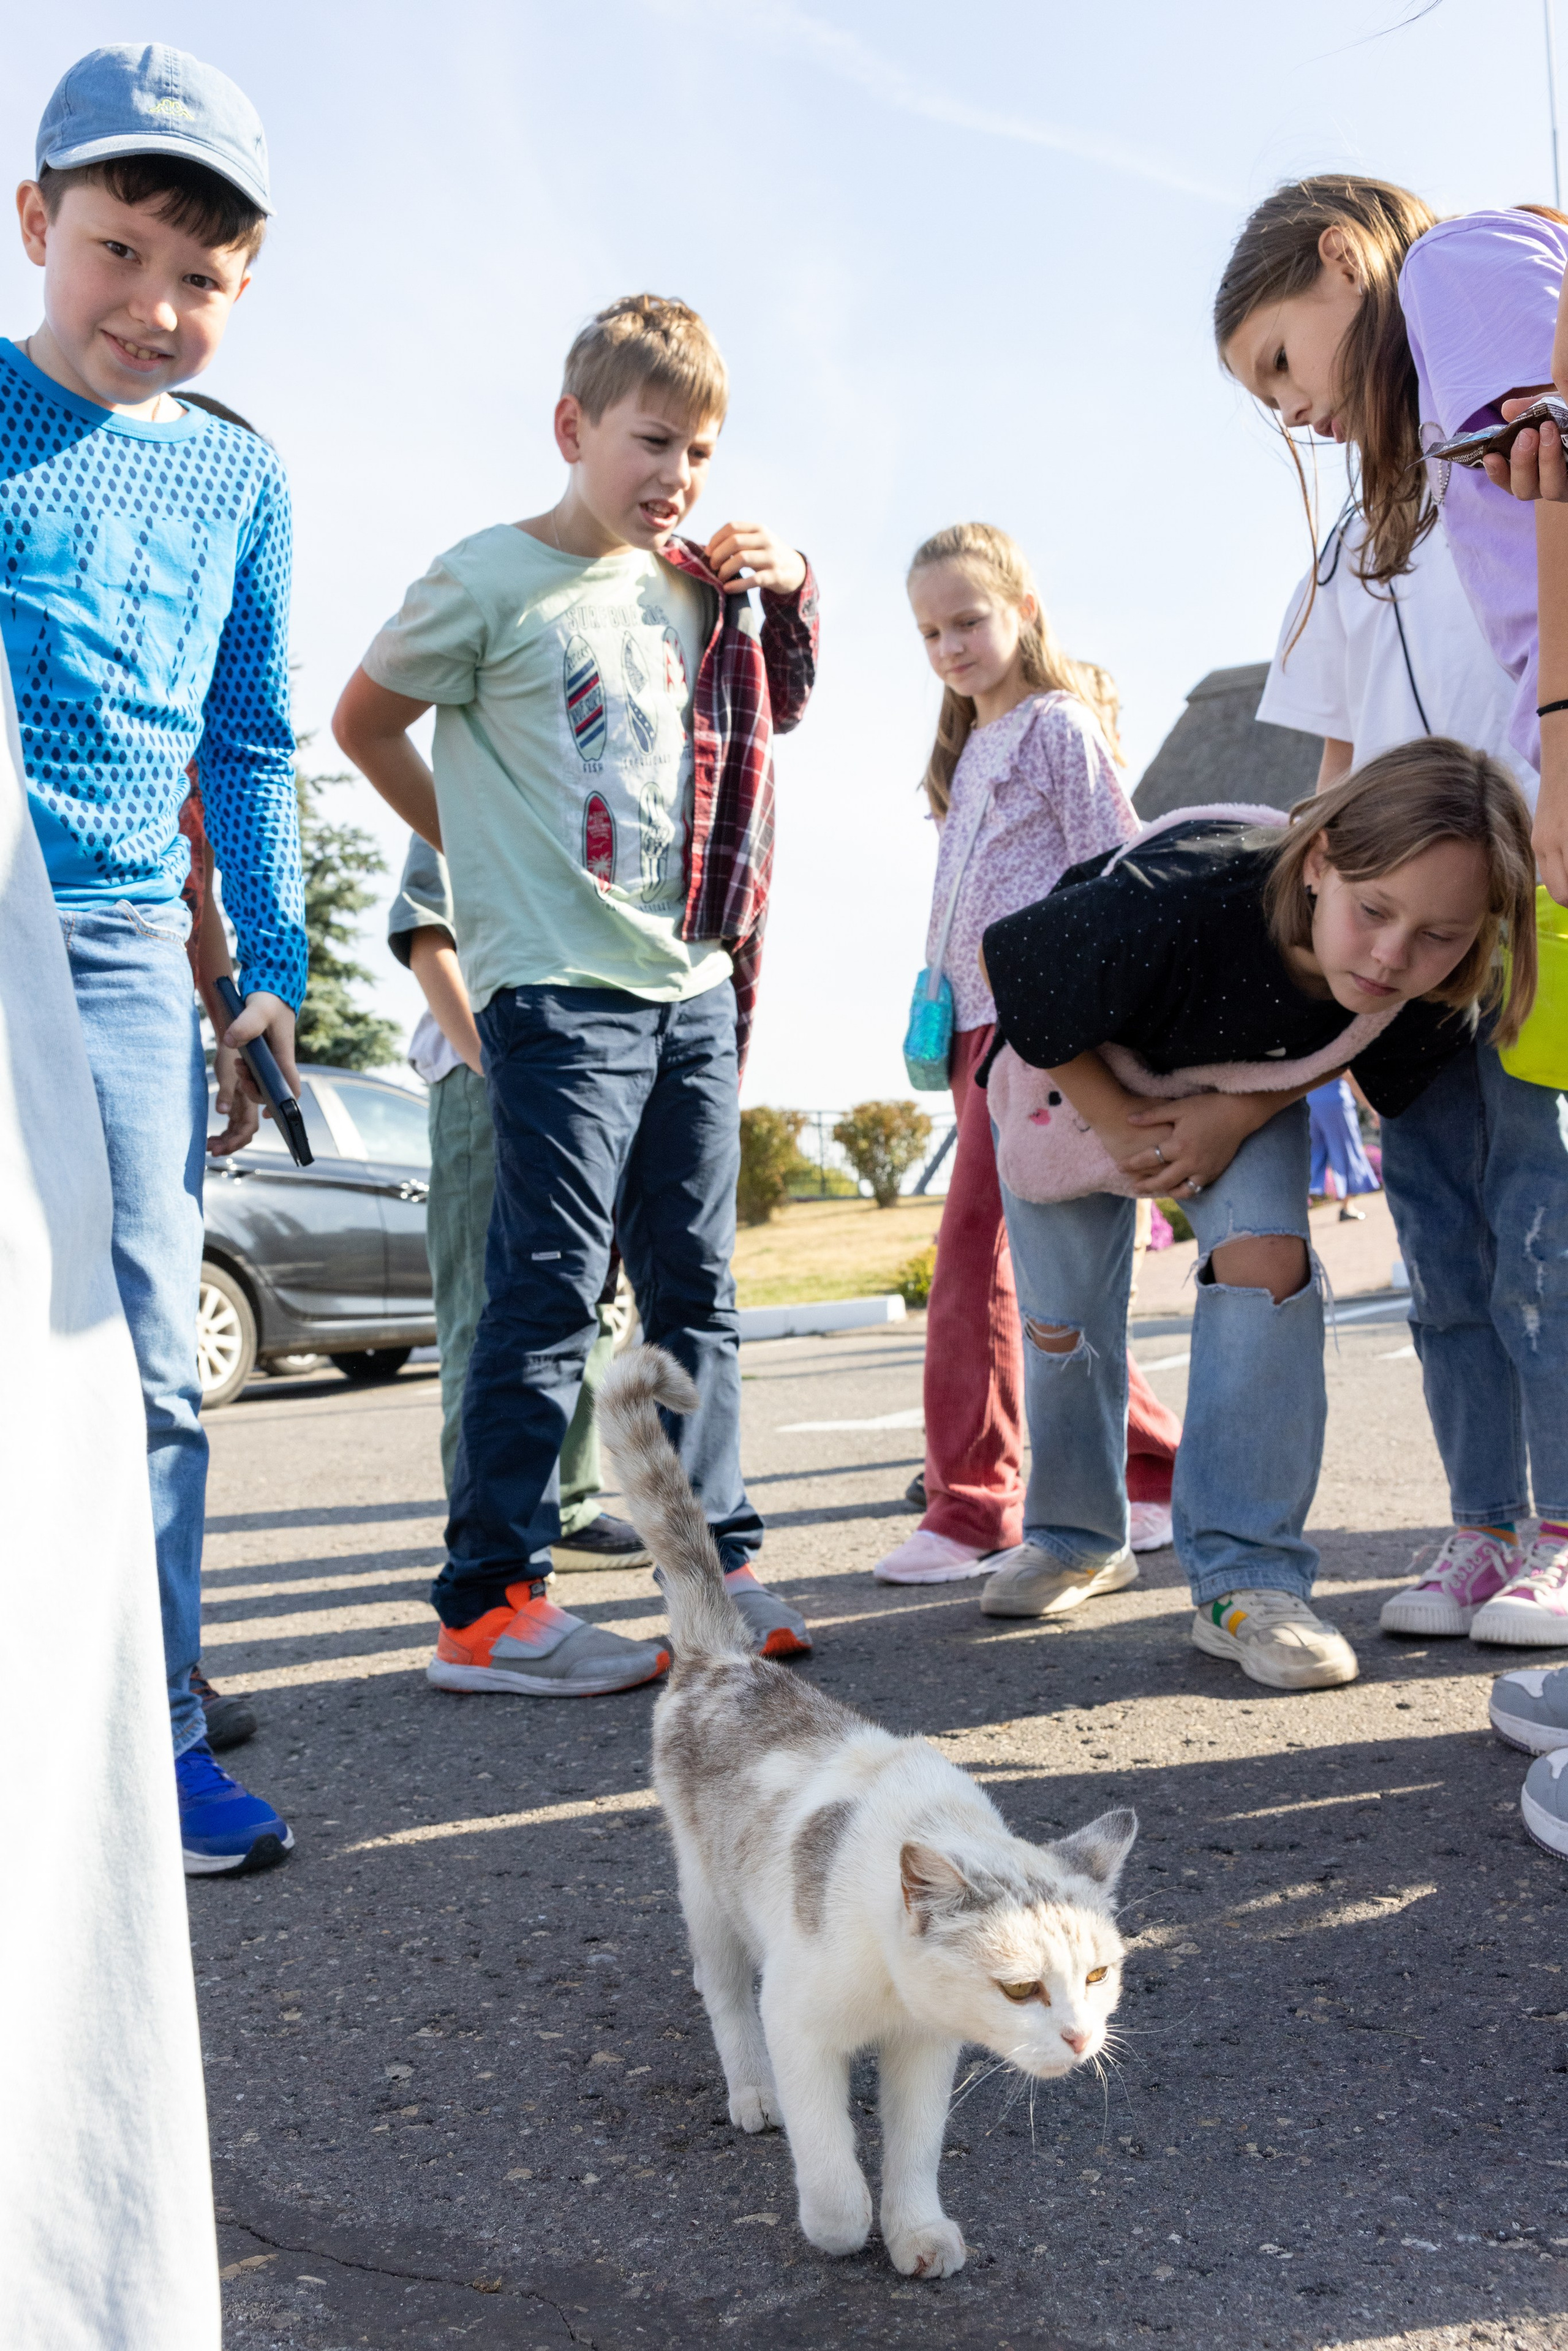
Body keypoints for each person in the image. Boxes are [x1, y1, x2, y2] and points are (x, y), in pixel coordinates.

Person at [334, 293, 817, 1697]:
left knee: (696, 1286)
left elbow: (774, 704)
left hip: (692, 982)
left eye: (701, 452)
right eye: (650, 439)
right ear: (572, 428)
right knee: (546, 1288)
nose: (675, 474)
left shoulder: (691, 583)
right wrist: (476, 862)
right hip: (554, 985)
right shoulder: (485, 579)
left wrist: (784, 577)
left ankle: (712, 1568)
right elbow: (361, 721)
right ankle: (489, 1602)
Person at [1216, 181, 1568, 1830]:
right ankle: (1486, 1520)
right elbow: (1332, 787)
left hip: (1524, 911)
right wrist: (1324, 974)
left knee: (1542, 1232)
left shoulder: (1498, 442)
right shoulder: (1360, 548)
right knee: (1442, 1252)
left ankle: (1564, 1534)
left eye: (1279, 357)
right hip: (1406, 960)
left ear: (1349, 272)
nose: (1286, 406)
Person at [6, 45, 303, 1870]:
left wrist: (261, 957)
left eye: (200, 280)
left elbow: (252, 741)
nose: (156, 307)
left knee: (141, 1352)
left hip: (123, 944)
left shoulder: (237, 481)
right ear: (36, 224)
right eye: (120, 253)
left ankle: (151, 1729)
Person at [978, 744, 1537, 1690]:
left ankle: (1247, 1579)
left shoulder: (1427, 976)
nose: (1395, 955)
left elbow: (1355, 1046)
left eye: (1439, 934)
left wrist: (1234, 1112)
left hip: (1236, 1086)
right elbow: (1019, 971)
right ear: (1318, 860)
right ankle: (1076, 1537)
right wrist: (1119, 1125)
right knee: (1062, 1322)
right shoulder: (1177, 894)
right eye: (1374, 911)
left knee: (1270, 1262)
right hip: (1075, 1072)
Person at [873, 522, 1181, 1590]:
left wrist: (1095, 1022)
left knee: (979, 1261)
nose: (951, 646)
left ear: (1025, 612)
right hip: (967, 1032)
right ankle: (1153, 1467)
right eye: (929, 632)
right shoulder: (961, 752)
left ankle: (974, 1502)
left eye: (968, 620)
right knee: (1048, 1266)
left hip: (1038, 1034)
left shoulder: (1056, 723)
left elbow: (1115, 862)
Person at [387, 828, 650, 1565]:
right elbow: (427, 937)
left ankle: (565, 1505)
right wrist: (491, 1063)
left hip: (589, 1067)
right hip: (484, 1073)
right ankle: (493, 1544)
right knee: (487, 1314)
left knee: (585, 1298)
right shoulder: (463, 764)